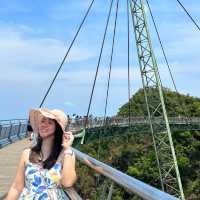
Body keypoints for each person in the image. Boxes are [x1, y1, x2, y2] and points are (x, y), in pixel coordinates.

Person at [6, 108, 76, 200]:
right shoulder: (27, 153)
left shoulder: (66, 154)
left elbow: (67, 182)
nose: (44, 125)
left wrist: (67, 148)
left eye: (50, 123)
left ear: (58, 129)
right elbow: (16, 187)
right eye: (42, 121)